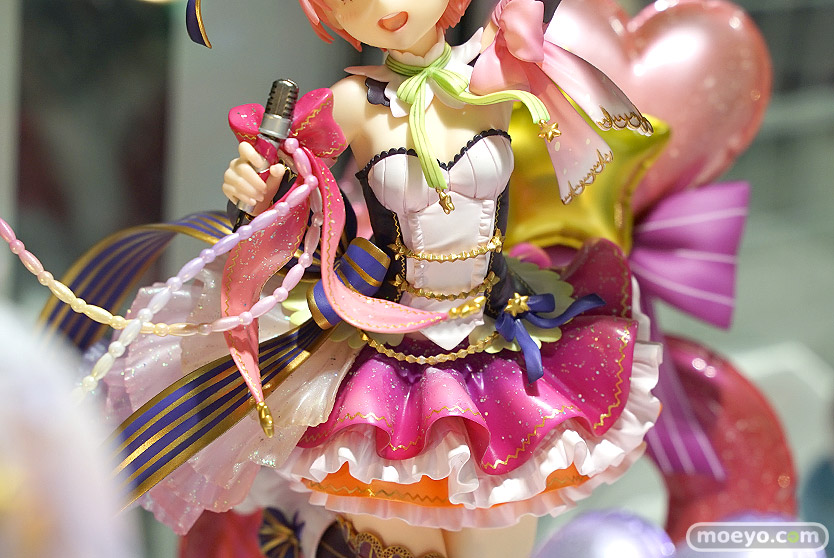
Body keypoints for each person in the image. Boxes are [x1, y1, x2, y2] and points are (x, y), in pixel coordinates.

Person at [102, 1, 660, 556]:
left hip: (498, 343)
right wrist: (257, 190)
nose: (387, 7)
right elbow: (291, 204)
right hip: (389, 359)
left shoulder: (496, 68)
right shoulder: (348, 103)